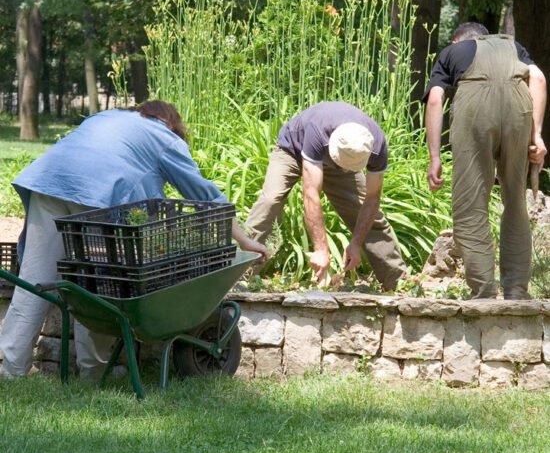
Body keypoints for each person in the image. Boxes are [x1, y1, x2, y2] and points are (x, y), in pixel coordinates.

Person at [0, 100, 266, 379]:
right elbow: (204, 195)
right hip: (96, 197)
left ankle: (11, 369)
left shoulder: (106, 117)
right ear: (170, 122)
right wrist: (246, 241)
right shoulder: (164, 137)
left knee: (33, 281)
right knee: (97, 287)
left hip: (48, 184)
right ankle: (93, 373)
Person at [424, 22, 547, 300]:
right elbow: (537, 79)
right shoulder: (513, 47)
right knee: (515, 200)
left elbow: (435, 99)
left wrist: (434, 157)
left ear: (459, 41)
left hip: (475, 104)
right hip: (519, 104)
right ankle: (516, 289)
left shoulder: (452, 52)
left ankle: (484, 291)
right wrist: (536, 135)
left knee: (470, 202)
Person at [245, 101, 406, 289]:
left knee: (369, 215)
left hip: (337, 159)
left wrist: (356, 243)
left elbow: (371, 200)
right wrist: (321, 250)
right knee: (270, 200)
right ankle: (239, 276)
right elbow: (311, 194)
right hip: (292, 150)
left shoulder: (376, 145)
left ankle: (399, 283)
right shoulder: (319, 131)